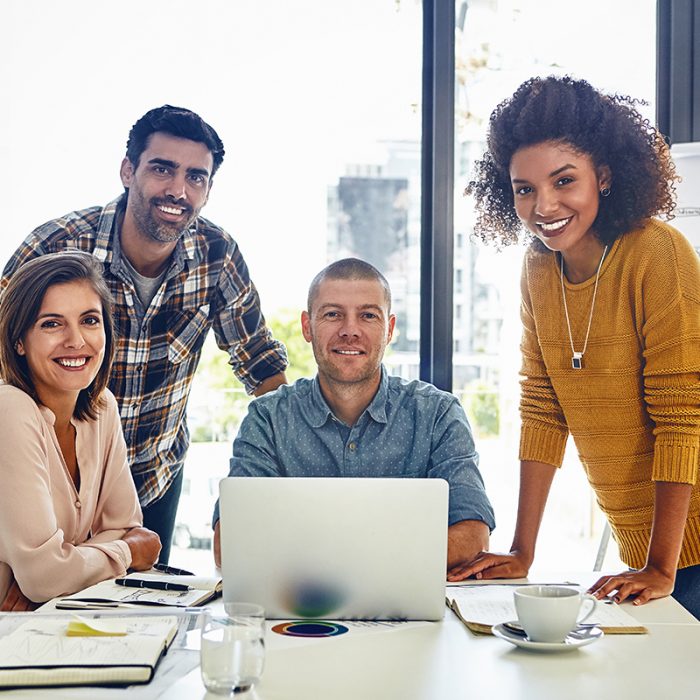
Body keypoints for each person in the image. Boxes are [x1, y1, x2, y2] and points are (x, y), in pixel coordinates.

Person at [455, 75, 700, 618]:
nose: (544, 205)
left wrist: (662, 565)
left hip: (683, 548)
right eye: (524, 188)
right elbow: (542, 407)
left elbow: (681, 416)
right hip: (649, 549)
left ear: (604, 176)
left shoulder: (657, 254)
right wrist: (522, 551)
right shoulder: (539, 268)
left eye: (564, 181)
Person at [1, 106, 288, 563]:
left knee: (137, 619)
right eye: (162, 169)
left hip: (153, 479)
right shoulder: (56, 246)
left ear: (208, 190)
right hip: (49, 478)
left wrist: (300, 464)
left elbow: (258, 362)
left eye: (196, 177)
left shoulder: (218, 256)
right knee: (39, 611)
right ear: (128, 170)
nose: (178, 190)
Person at [212, 258, 495, 571]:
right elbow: (230, 544)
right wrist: (387, 559)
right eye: (333, 314)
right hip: (299, 609)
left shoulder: (437, 413)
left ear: (389, 329)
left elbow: (474, 536)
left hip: (408, 610)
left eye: (368, 316)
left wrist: (337, 562)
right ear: (307, 326)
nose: (350, 331)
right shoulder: (268, 418)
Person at [0, 252, 161, 611]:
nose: (76, 341)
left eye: (89, 320)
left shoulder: (102, 408)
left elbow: (126, 526)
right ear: (19, 341)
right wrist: (127, 552)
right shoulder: (9, 409)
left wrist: (67, 565)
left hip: (51, 625)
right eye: (51, 324)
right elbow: (44, 578)